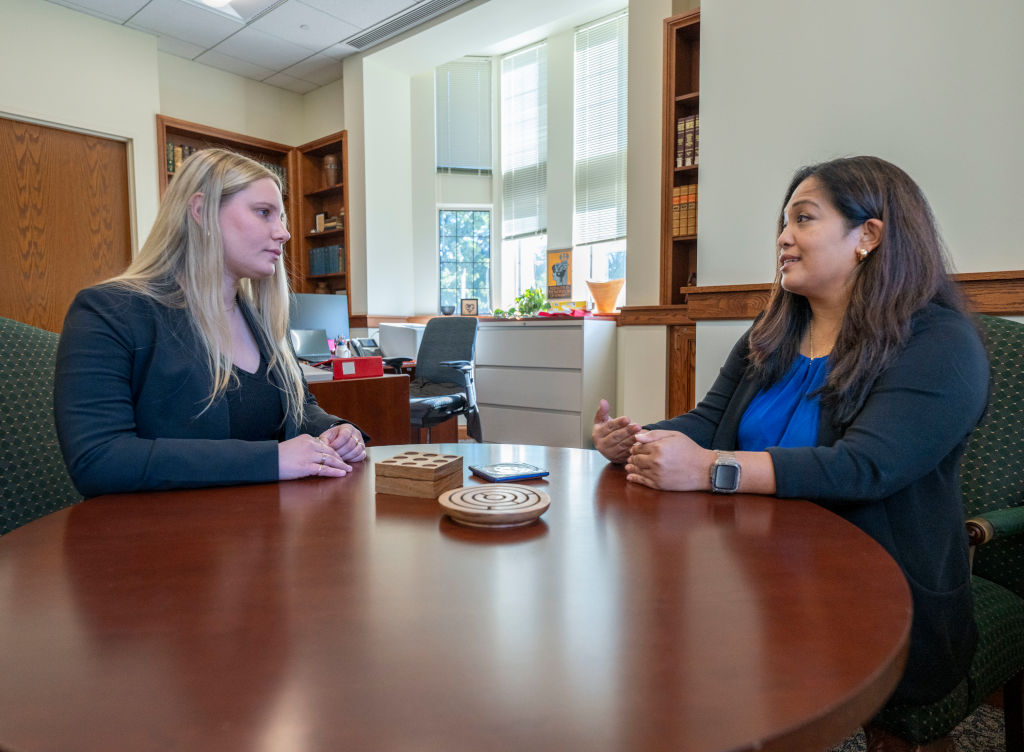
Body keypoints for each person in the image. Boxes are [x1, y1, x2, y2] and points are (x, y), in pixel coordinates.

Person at [593, 156, 988, 751]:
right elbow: (708, 422)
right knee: (645, 647)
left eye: (803, 219)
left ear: (869, 236)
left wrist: (709, 469)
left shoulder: (939, 344)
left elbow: (864, 466)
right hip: (752, 569)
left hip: (877, 596)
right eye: (783, 223)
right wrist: (637, 438)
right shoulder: (773, 331)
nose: (783, 237)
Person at [55, 148, 367, 498]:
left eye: (281, 218)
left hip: (265, 530)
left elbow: (300, 406)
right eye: (264, 213)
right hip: (164, 537)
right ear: (201, 211)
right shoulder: (108, 312)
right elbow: (99, 460)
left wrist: (336, 430)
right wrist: (271, 460)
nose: (283, 233)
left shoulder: (260, 319)